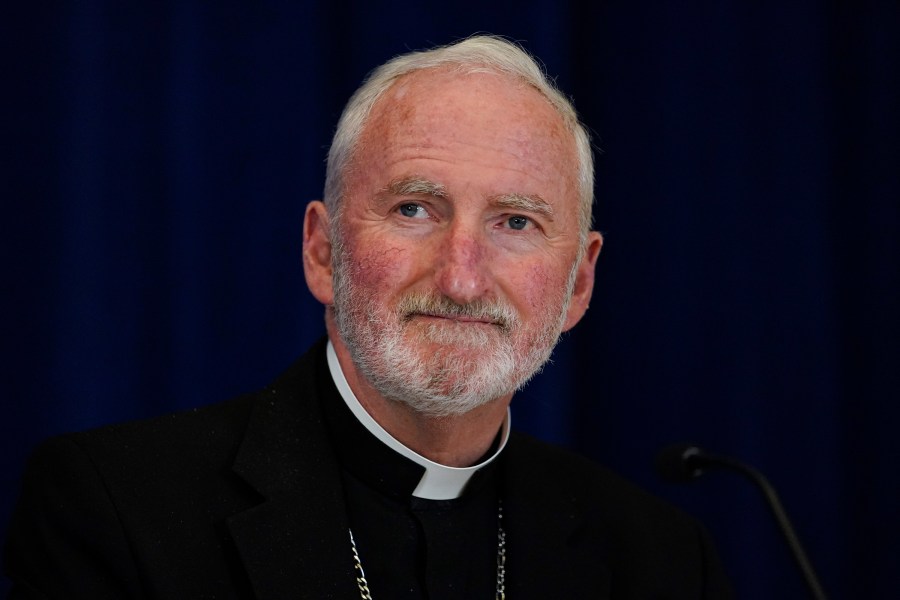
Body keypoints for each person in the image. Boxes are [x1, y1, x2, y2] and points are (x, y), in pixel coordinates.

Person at [4, 36, 732, 598]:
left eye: (515, 221)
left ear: (578, 284)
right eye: (414, 209)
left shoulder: (662, 562)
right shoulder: (118, 511)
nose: (462, 277)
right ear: (323, 252)